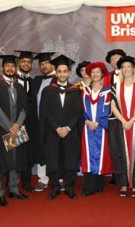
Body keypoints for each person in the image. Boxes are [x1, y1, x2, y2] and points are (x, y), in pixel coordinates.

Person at [0, 54, 29, 207]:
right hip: (0, 129)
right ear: (3, 67)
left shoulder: (19, 86)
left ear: (15, 68)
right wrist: (9, 126)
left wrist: (18, 124)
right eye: (7, 66)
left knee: (14, 160)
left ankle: (13, 189)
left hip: (16, 130)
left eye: (12, 66)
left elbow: (24, 107)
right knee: (0, 162)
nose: (10, 68)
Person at [39, 54, 83, 200]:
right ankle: (55, 187)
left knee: (70, 159)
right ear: (56, 72)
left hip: (70, 132)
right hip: (53, 132)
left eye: (65, 71)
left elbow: (78, 113)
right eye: (60, 71)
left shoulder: (75, 90)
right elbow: (45, 113)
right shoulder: (48, 91)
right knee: (53, 160)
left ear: (69, 73)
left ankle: (69, 187)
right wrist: (57, 128)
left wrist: (68, 128)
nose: (62, 74)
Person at [109, 56, 135, 198]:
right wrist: (123, 120)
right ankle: (124, 183)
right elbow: (113, 106)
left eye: (128, 67)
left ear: (133, 69)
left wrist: (131, 120)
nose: (126, 69)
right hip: (120, 125)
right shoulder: (116, 87)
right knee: (120, 154)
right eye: (123, 67)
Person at [80, 61, 113, 197]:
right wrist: (87, 121)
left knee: (101, 155)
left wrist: (99, 123)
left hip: (101, 129)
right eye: (93, 72)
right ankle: (89, 186)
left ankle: (99, 184)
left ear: (102, 74)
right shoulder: (83, 91)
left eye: (98, 72)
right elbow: (78, 109)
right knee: (88, 155)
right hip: (87, 128)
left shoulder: (108, 92)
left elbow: (110, 111)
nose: (95, 74)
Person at [28, 52, 56, 192]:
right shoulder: (37, 80)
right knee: (41, 151)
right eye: (42, 64)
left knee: (55, 150)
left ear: (53, 64)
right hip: (38, 123)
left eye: (47, 63)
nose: (44, 66)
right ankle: (42, 179)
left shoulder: (59, 79)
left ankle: (59, 178)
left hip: (54, 124)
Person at [14, 50, 35, 192]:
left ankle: (27, 183)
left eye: (29, 62)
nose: (26, 64)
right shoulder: (11, 80)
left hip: (30, 124)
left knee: (27, 154)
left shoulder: (33, 82)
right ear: (19, 62)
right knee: (14, 153)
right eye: (23, 61)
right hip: (14, 123)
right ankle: (12, 184)